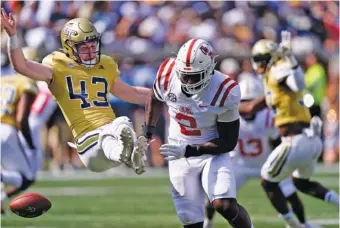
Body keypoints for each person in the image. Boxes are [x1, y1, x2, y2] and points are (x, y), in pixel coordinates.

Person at [1, 8, 150, 175]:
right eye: (83, 47)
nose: (90, 50)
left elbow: (132, 93)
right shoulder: (57, 65)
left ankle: (125, 155)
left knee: (121, 125)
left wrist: (164, 95)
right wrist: (13, 36)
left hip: (110, 141)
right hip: (88, 143)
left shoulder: (105, 65)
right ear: (69, 47)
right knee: (118, 127)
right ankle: (127, 155)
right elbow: (22, 66)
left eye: (92, 44)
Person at [143, 38, 253, 228]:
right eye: (185, 75)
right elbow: (155, 97)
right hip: (179, 148)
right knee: (188, 216)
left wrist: (189, 150)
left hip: (212, 151)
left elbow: (228, 142)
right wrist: (148, 131)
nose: (188, 81)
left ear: (210, 70)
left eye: (195, 76)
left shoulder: (225, 90)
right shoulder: (167, 74)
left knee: (224, 205)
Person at [250, 31, 339, 228]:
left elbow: (298, 83)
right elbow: (254, 106)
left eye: (260, 59)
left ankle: (294, 225)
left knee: (267, 181)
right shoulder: (272, 77)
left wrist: (290, 57)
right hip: (309, 139)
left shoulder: (279, 68)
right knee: (301, 183)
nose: (257, 63)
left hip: (296, 140)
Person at [203, 75, 309, 228]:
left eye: (250, 100)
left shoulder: (267, 117)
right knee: (214, 192)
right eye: (243, 101)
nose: (247, 106)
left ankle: (302, 223)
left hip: (265, 163)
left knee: (290, 193)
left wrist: (284, 163)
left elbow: (276, 142)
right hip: (239, 163)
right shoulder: (230, 116)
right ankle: (207, 223)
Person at [0, 74, 38, 214]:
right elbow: (21, 119)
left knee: (8, 172)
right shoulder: (26, 82)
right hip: (6, 131)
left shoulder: (2, 80)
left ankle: (1, 198)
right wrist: (29, 143)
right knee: (26, 178)